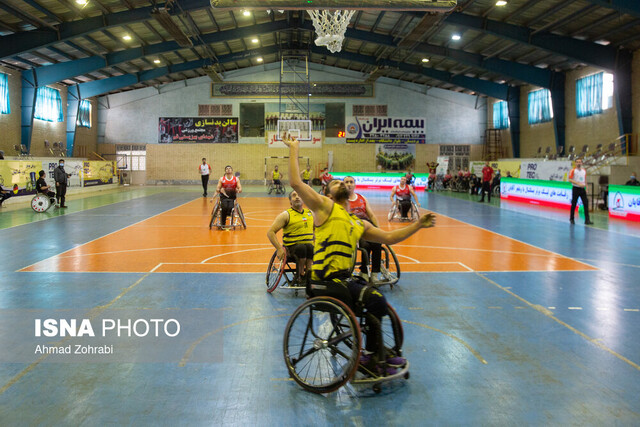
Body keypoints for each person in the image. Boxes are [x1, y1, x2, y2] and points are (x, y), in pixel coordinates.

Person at [282, 132, 436, 375]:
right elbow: (296, 183)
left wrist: (417, 225)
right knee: (374, 299)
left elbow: (388, 238)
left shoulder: (357, 223)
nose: (343, 183)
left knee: (374, 299)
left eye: (345, 181)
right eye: (337, 183)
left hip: (342, 281)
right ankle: (372, 357)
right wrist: (294, 148)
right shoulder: (324, 208)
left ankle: (378, 353)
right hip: (323, 282)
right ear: (329, 194)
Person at [266, 190, 314, 284]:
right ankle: (300, 274)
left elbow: (316, 231)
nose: (297, 197)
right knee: (302, 248)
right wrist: (279, 249)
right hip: (292, 249)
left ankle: (309, 273)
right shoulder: (286, 215)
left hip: (308, 247)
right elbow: (270, 232)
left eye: (299, 195)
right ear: (290, 201)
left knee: (310, 247)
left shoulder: (310, 214)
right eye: (294, 195)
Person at [344, 176, 383, 279]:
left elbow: (371, 215)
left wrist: (379, 230)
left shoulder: (362, 198)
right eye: (346, 182)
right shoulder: (342, 201)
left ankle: (375, 272)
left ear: (354, 184)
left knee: (377, 243)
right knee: (365, 245)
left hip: (368, 225)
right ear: (343, 185)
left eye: (351, 182)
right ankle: (364, 272)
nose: (349, 184)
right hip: (355, 229)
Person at [568, 159, 593, 225]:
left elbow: (585, 180)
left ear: (582, 163)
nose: (579, 163)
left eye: (580, 162)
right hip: (576, 188)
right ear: (575, 163)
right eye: (577, 162)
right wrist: (578, 183)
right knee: (574, 203)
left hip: (582, 189)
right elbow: (570, 179)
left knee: (586, 204)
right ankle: (572, 218)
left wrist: (586, 188)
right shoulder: (573, 170)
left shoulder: (584, 171)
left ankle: (587, 220)